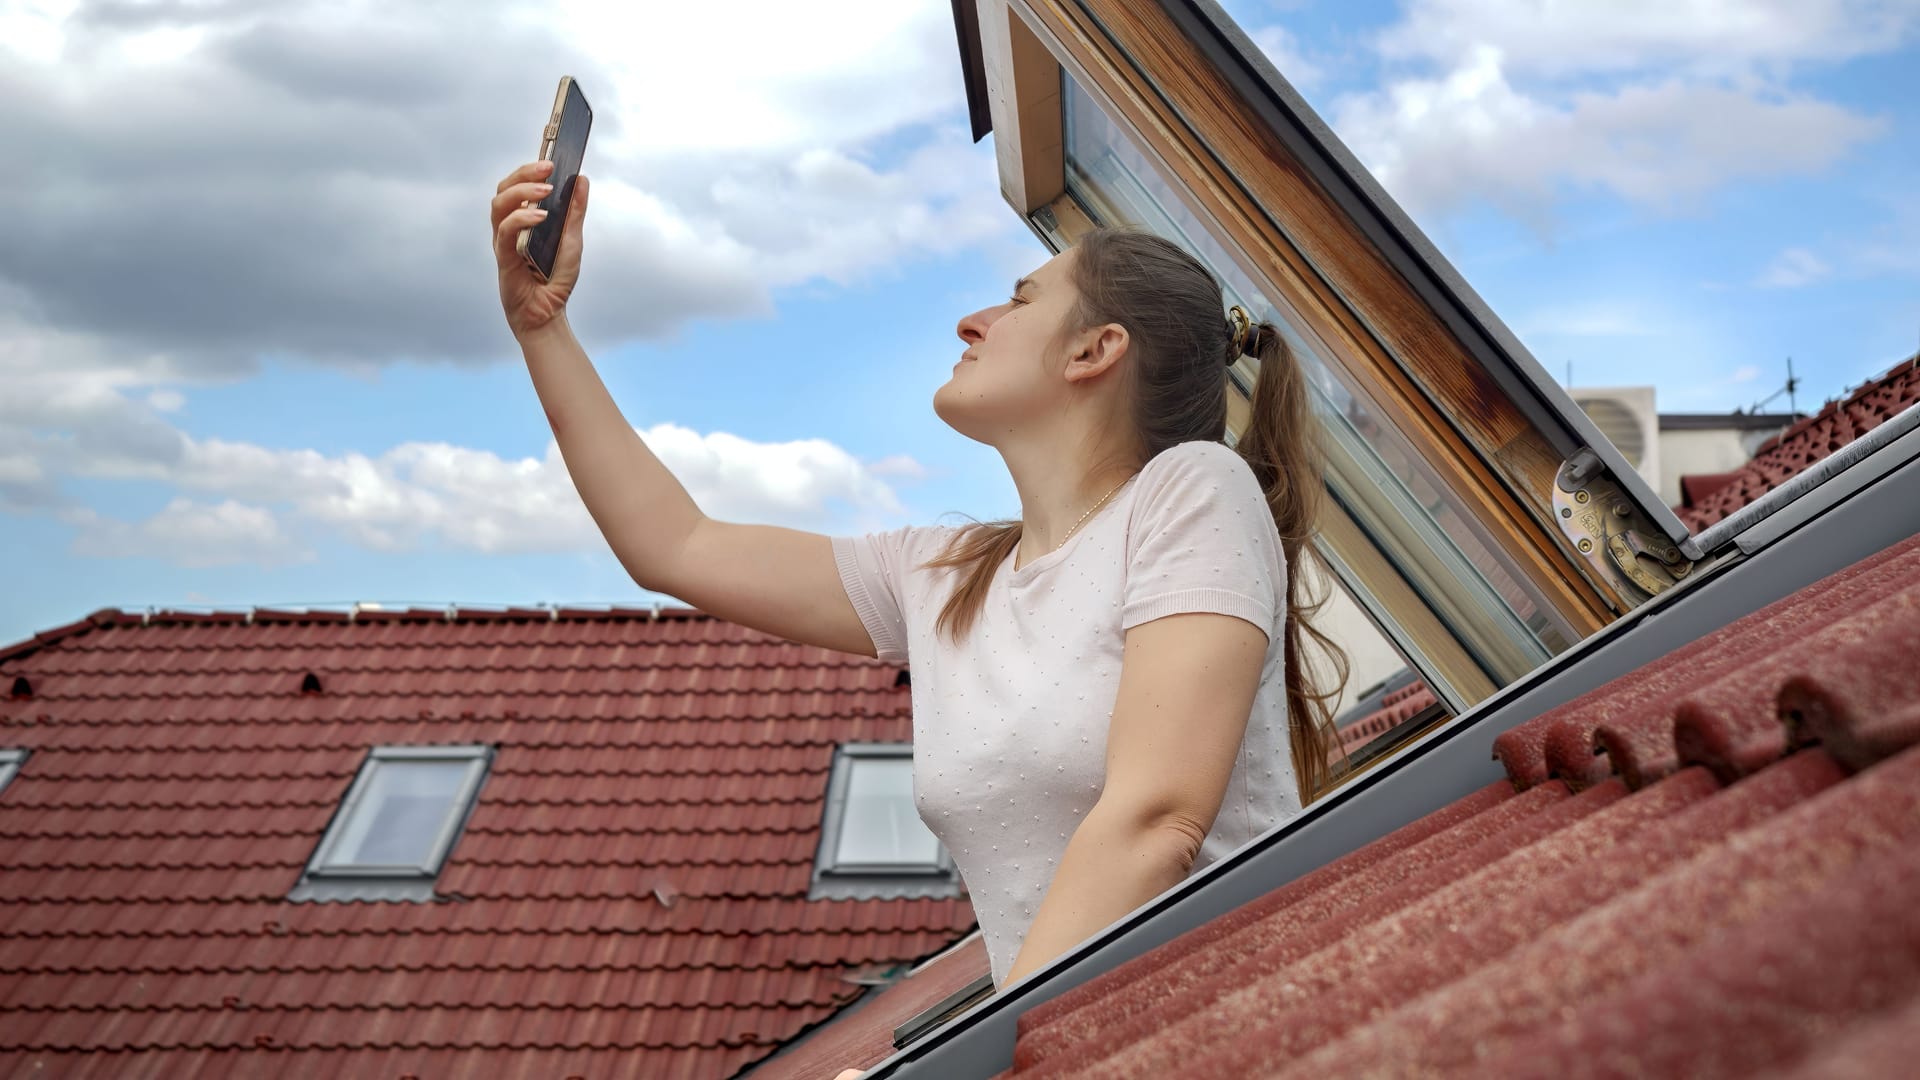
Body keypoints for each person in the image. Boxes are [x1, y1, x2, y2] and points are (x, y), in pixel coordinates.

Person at [488, 159, 1347, 1001]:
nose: (972, 323)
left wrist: (992, 1053)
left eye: (1018, 299)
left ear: (1096, 349)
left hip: (1239, 1024)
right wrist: (542, 329)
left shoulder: (1193, 489)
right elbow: (674, 545)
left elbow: (1158, 818)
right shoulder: (949, 578)